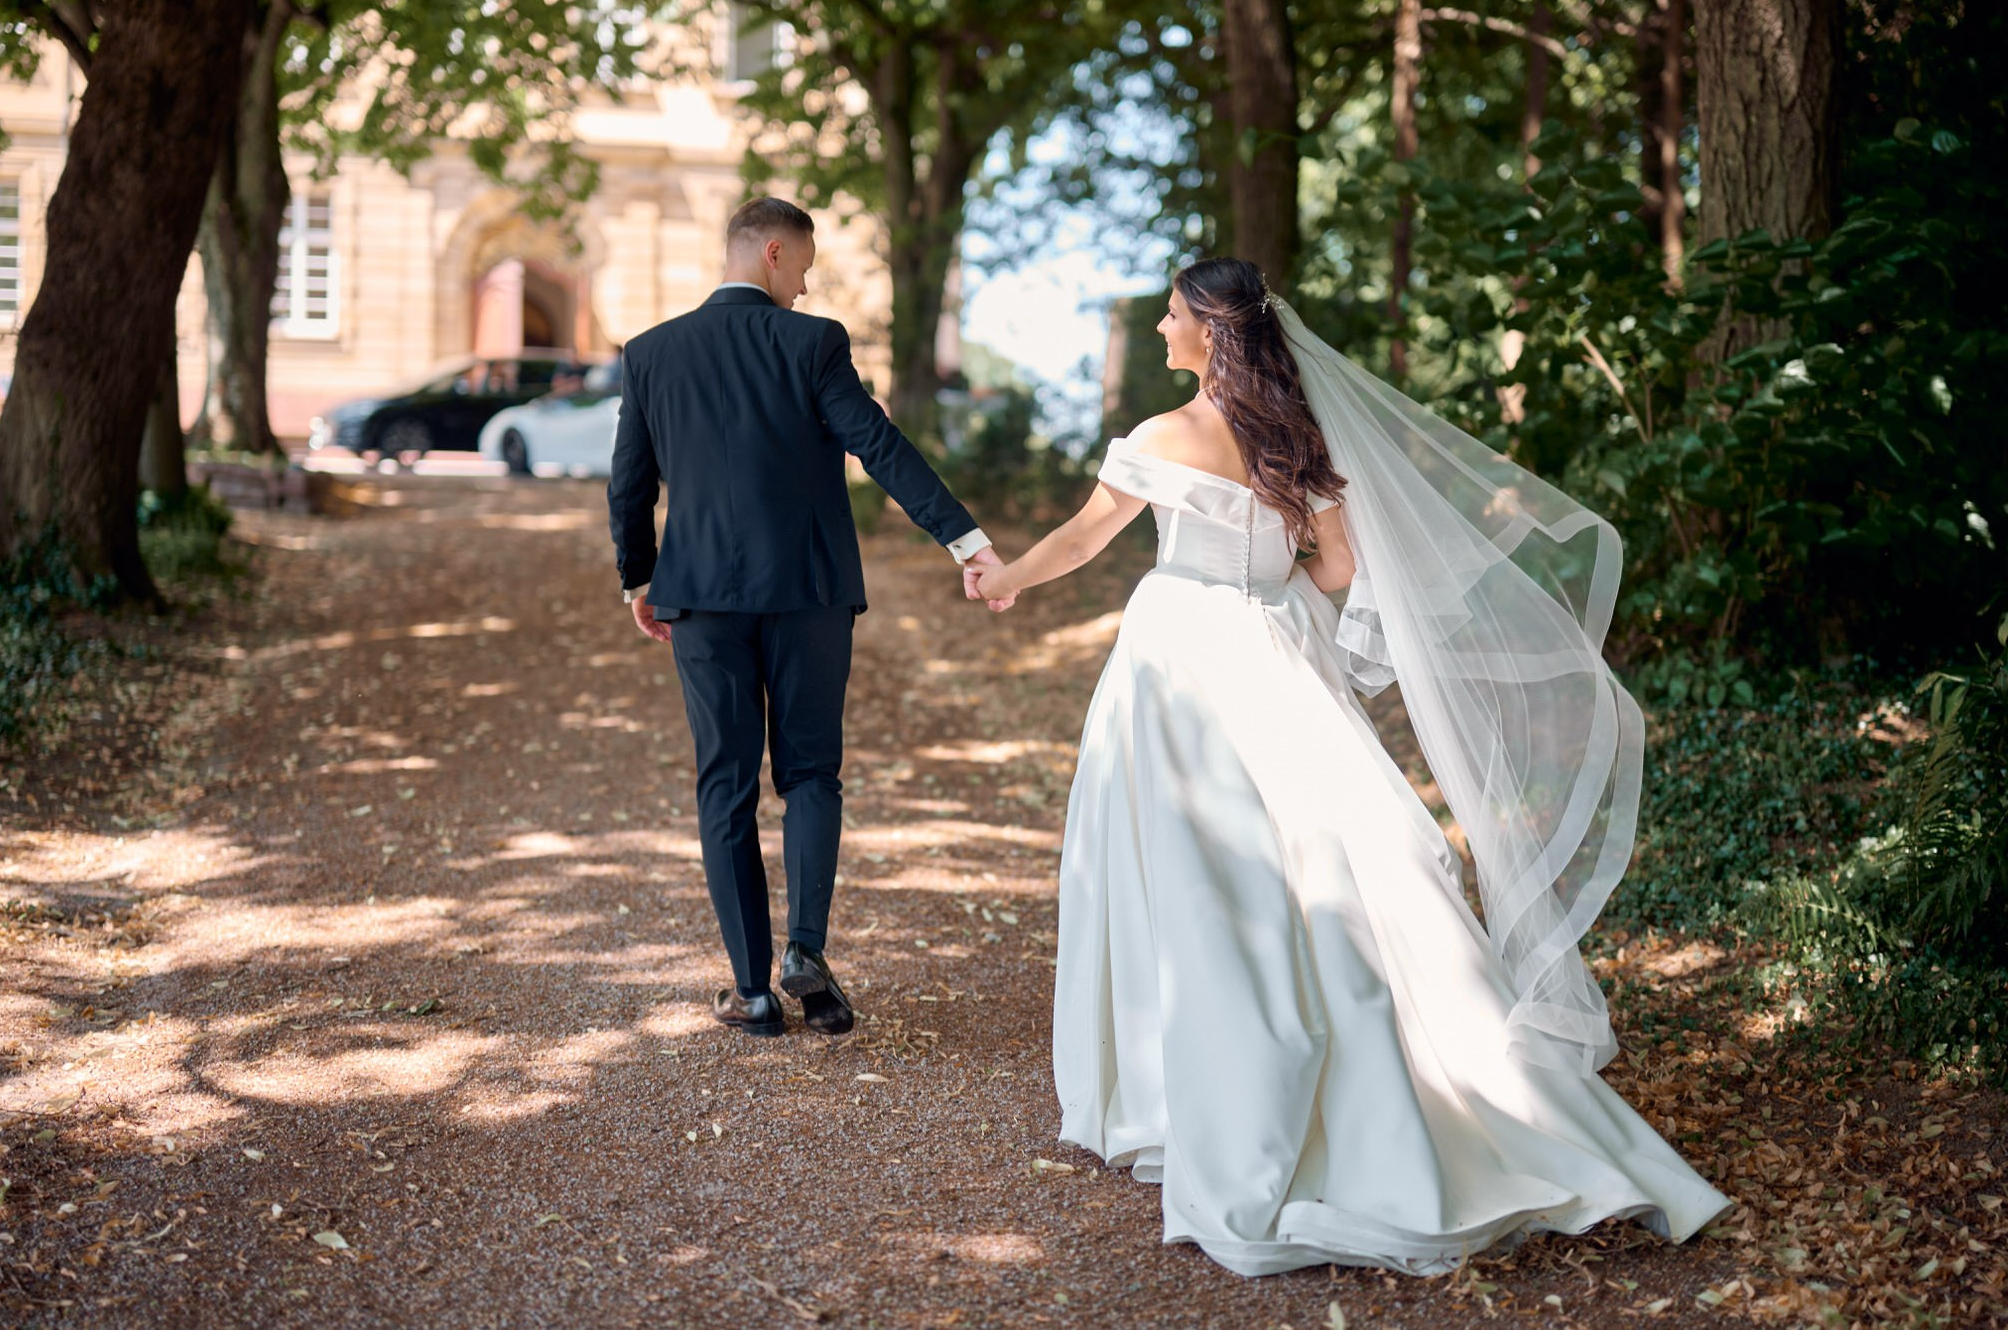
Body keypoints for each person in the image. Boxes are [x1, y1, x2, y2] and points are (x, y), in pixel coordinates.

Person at [966, 257, 1733, 1276]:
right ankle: (1448, 1082)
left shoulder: (1157, 439)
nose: (1158, 328)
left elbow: (1083, 536)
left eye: (1171, 315)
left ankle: (1174, 1090)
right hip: (1276, 652)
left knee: (1184, 865)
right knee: (1341, 855)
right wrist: (1270, 577)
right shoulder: (1296, 441)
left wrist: (1005, 578)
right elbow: (1336, 571)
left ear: (1210, 332)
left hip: (1176, 660)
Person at [607, 196, 1008, 1039]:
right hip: (810, 593)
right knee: (811, 775)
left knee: (725, 784)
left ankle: (752, 993)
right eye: (808, 265)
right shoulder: (814, 343)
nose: (807, 283)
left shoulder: (649, 355)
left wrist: (639, 581)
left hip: (703, 600)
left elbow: (629, 487)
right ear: (776, 252)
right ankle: (806, 952)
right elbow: (880, 444)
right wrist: (963, 539)